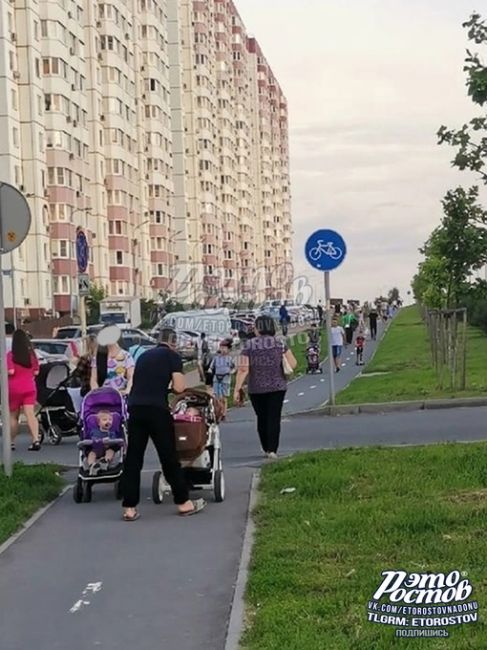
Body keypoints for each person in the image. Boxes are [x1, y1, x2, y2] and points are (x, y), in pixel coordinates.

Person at [121, 327, 206, 521]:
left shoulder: (143, 356)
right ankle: (183, 502)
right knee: (168, 457)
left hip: (135, 408)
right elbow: (179, 387)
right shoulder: (172, 357)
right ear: (173, 342)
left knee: (134, 458)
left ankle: (129, 507)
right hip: (157, 409)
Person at [233, 315, 297, 459]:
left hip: (256, 388)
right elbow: (293, 363)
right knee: (274, 418)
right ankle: (273, 450)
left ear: (258, 328)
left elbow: (243, 369)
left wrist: (237, 388)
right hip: (278, 387)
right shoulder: (280, 343)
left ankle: (265, 447)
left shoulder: (249, 345)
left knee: (262, 418)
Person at [7, 329, 41, 451]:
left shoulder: (11, 355)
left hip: (14, 389)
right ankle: (35, 440)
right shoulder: (32, 355)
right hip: (29, 387)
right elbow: (36, 371)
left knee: (13, 417)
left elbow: (11, 371)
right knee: (30, 414)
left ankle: (11, 442)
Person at [86, 410, 119, 475]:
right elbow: (89, 438)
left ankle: (105, 461)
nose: (108, 421)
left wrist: (111, 441)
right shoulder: (94, 431)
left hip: (107, 448)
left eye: (110, 420)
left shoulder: (112, 433)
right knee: (91, 454)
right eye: (104, 420)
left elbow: (115, 440)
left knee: (110, 451)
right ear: (99, 423)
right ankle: (92, 465)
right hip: (96, 449)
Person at [209, 340, 235, 419]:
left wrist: (231, 372)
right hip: (217, 378)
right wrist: (210, 370)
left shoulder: (230, 359)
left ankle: (224, 413)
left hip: (225, 378)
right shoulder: (216, 358)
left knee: (223, 398)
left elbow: (234, 368)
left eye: (224, 348)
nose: (222, 349)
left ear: (228, 349)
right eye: (221, 348)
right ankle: (218, 412)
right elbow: (211, 367)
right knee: (217, 397)